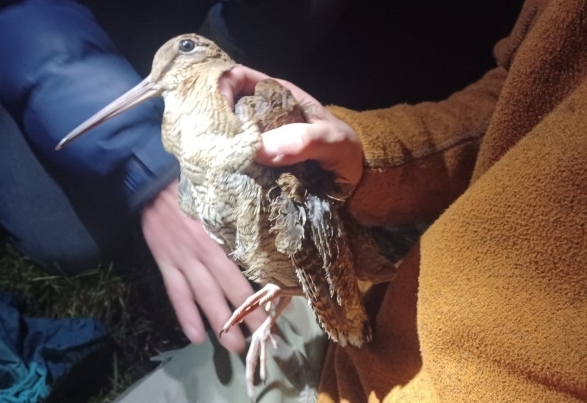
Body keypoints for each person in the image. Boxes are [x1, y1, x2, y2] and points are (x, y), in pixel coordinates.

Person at [116, 0, 587, 401]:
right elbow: (521, 98)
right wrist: (362, 153)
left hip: (414, 369)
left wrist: (327, 292)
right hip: (394, 311)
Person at [0, 0, 345, 355]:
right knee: (63, 238)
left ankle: (224, 39)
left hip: (197, 27)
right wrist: (146, 169)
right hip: (42, 25)